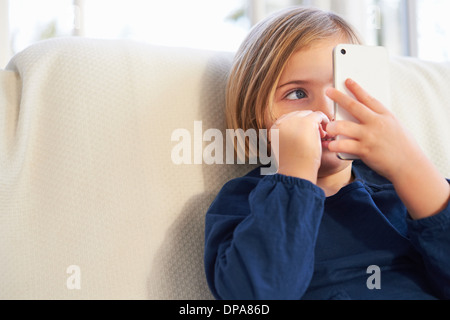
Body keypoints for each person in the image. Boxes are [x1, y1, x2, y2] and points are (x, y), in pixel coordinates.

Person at [203, 6, 450, 300]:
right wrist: (295, 175)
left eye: (340, 91)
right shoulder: (243, 201)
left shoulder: (402, 192)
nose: (325, 111)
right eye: (297, 94)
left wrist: (409, 165)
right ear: (258, 119)